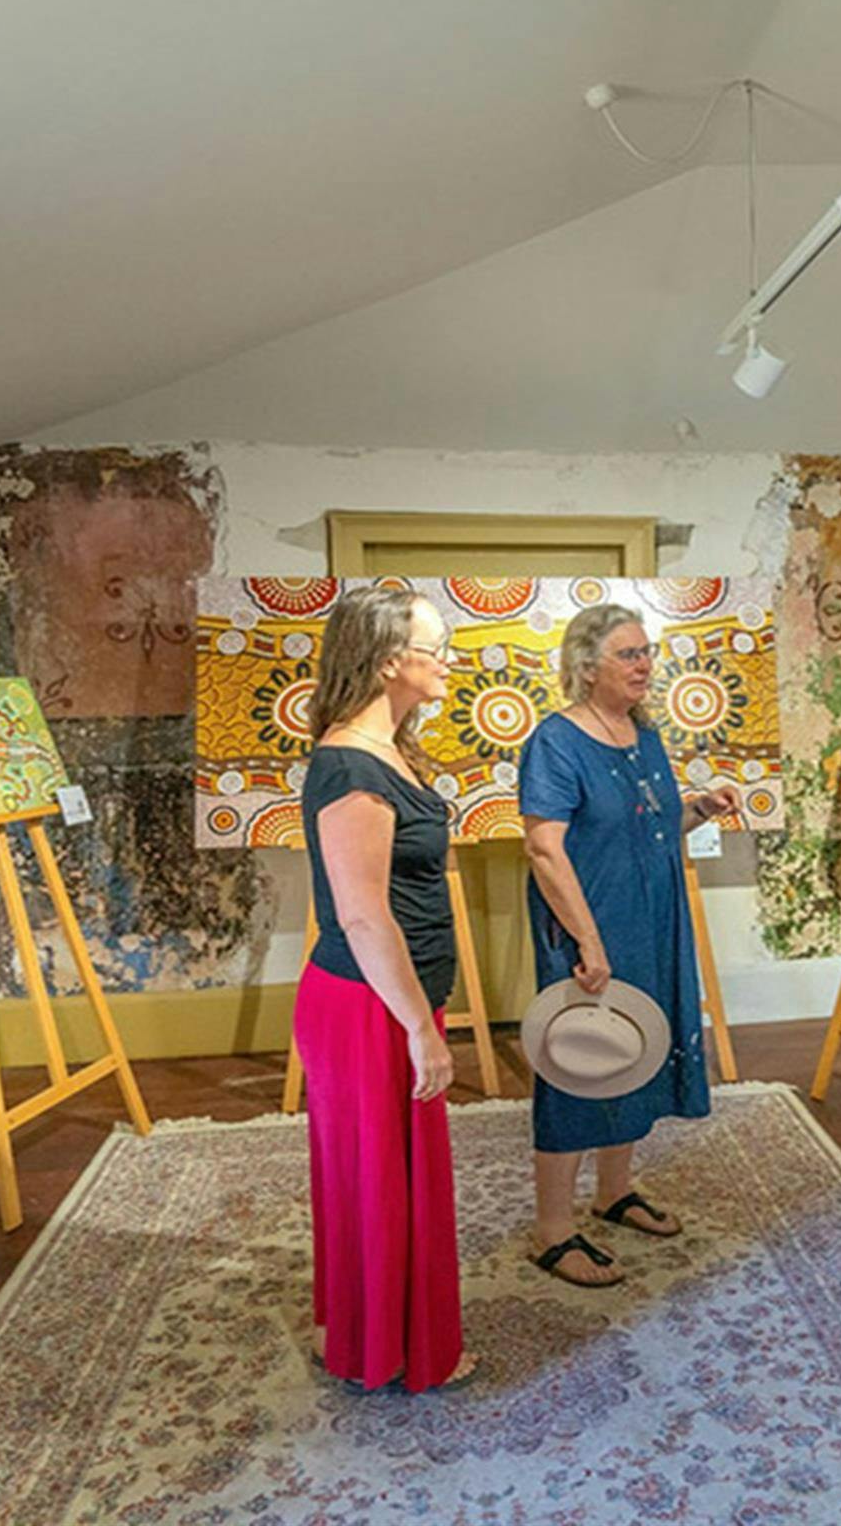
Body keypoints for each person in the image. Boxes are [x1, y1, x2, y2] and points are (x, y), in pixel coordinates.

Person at [519, 603, 741, 1286]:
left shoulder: (641, 735)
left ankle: (613, 1192)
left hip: (654, 920)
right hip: (592, 927)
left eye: (647, 652)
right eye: (628, 654)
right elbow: (544, 848)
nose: (645, 665)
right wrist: (588, 941)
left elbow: (649, 825)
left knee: (637, 1054)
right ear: (586, 668)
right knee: (578, 1068)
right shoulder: (556, 742)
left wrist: (699, 808)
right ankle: (552, 1229)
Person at [293, 583, 476, 1390]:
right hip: (368, 1009)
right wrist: (420, 1029)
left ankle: (384, 1338)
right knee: (382, 1188)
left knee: (391, 1184)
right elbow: (365, 919)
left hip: (388, 1000)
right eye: (436, 649)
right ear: (391, 660)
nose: (448, 663)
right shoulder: (351, 767)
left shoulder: (384, 750)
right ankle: (389, 1350)